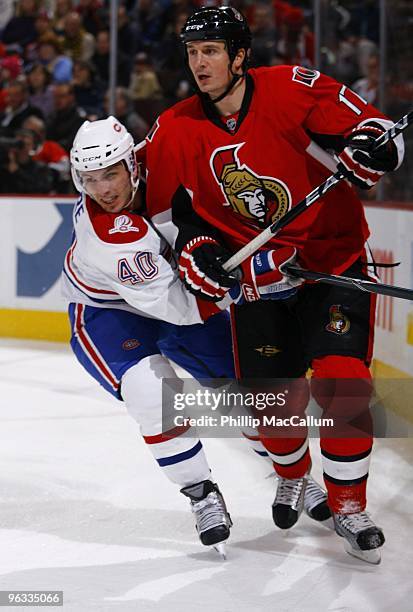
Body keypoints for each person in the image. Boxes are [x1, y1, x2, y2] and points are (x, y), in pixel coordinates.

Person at [145, 6, 405, 564]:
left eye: (211, 50)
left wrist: (370, 151)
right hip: (258, 282)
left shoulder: (293, 87)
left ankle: (349, 504)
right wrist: (197, 250)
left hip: (331, 263)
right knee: (274, 409)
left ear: (240, 55)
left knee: (344, 383)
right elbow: (167, 218)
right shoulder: (174, 127)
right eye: (192, 53)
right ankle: (291, 474)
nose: (199, 63)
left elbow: (379, 131)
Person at [62, 116, 329, 557]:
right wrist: (247, 279)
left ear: (132, 163)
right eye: (89, 180)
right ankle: (201, 492)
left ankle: (294, 471)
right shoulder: (107, 237)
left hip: (173, 294)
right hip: (109, 315)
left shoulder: (155, 162)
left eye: (110, 174)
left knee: (247, 393)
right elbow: (179, 308)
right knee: (152, 393)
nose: (103, 189)